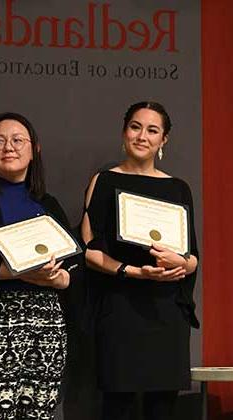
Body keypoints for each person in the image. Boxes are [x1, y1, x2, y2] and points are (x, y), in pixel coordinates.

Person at [0, 112, 81, 420]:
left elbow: (75, 260)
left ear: (34, 149)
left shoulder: (48, 204)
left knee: (41, 412)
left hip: (45, 327)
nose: (9, 146)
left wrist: (58, 280)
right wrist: (13, 272)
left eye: (18, 140)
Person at [81, 101, 199, 420]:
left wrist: (179, 262)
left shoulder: (178, 188)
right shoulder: (103, 181)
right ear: (124, 132)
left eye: (152, 130)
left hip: (166, 313)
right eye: (135, 127)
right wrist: (133, 272)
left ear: (164, 140)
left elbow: (193, 259)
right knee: (117, 407)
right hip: (121, 309)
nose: (142, 136)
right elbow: (89, 250)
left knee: (163, 407)